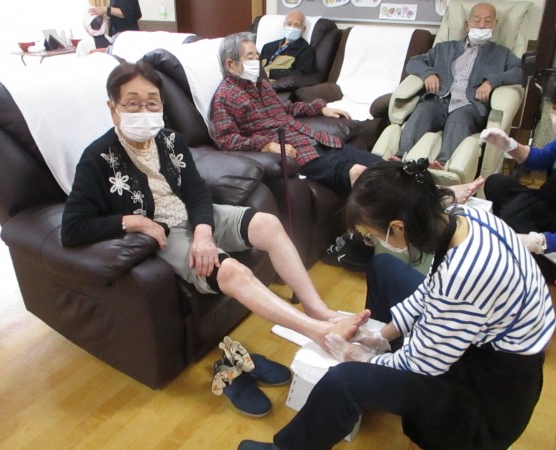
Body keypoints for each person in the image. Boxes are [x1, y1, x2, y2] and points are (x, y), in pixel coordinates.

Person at [238, 159, 555, 450]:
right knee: (384, 266)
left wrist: (361, 359)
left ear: (398, 227)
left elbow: (423, 363)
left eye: (373, 234)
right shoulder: (464, 218)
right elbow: (431, 290)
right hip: (476, 342)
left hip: (489, 393)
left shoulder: (464, 274)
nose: (374, 240)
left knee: (344, 381)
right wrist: (381, 336)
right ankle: (378, 381)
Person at [61, 61, 362, 352]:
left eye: (152, 103)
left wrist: (204, 232)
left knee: (268, 223)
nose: (144, 111)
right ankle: (320, 333)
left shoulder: (171, 141)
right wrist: (133, 221)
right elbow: (72, 228)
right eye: (132, 103)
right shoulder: (97, 158)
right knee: (232, 272)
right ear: (113, 108)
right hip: (166, 234)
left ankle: (318, 309)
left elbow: (196, 191)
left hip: (195, 217)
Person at [212, 32, 381, 196]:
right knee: (358, 173)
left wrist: (320, 108)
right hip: (297, 154)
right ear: (231, 65)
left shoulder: (261, 84)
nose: (256, 61)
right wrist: (265, 145)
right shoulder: (226, 96)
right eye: (250, 57)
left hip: (313, 139)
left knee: (382, 165)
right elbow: (226, 140)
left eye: (257, 56)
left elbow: (283, 108)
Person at [395, 2, 522, 170]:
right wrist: (428, 73)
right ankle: (399, 157)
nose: (481, 25)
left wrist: (492, 81)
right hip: (439, 101)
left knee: (459, 118)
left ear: (495, 24)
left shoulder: (502, 54)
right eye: (477, 20)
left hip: (470, 106)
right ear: (467, 24)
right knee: (423, 110)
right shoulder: (444, 48)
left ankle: (442, 164)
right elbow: (414, 62)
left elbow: (519, 72)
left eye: (487, 21)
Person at [482, 76, 556, 258]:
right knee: (496, 183)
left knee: (511, 216)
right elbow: (540, 159)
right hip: (547, 201)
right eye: (555, 109)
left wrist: (542, 241)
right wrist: (510, 146)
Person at [260, 11, 316, 82]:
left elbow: (301, 74)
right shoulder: (267, 47)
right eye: (289, 24)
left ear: (303, 29)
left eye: (296, 25)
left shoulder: (305, 50)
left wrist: (270, 74)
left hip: (276, 84)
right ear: (284, 25)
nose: (291, 28)